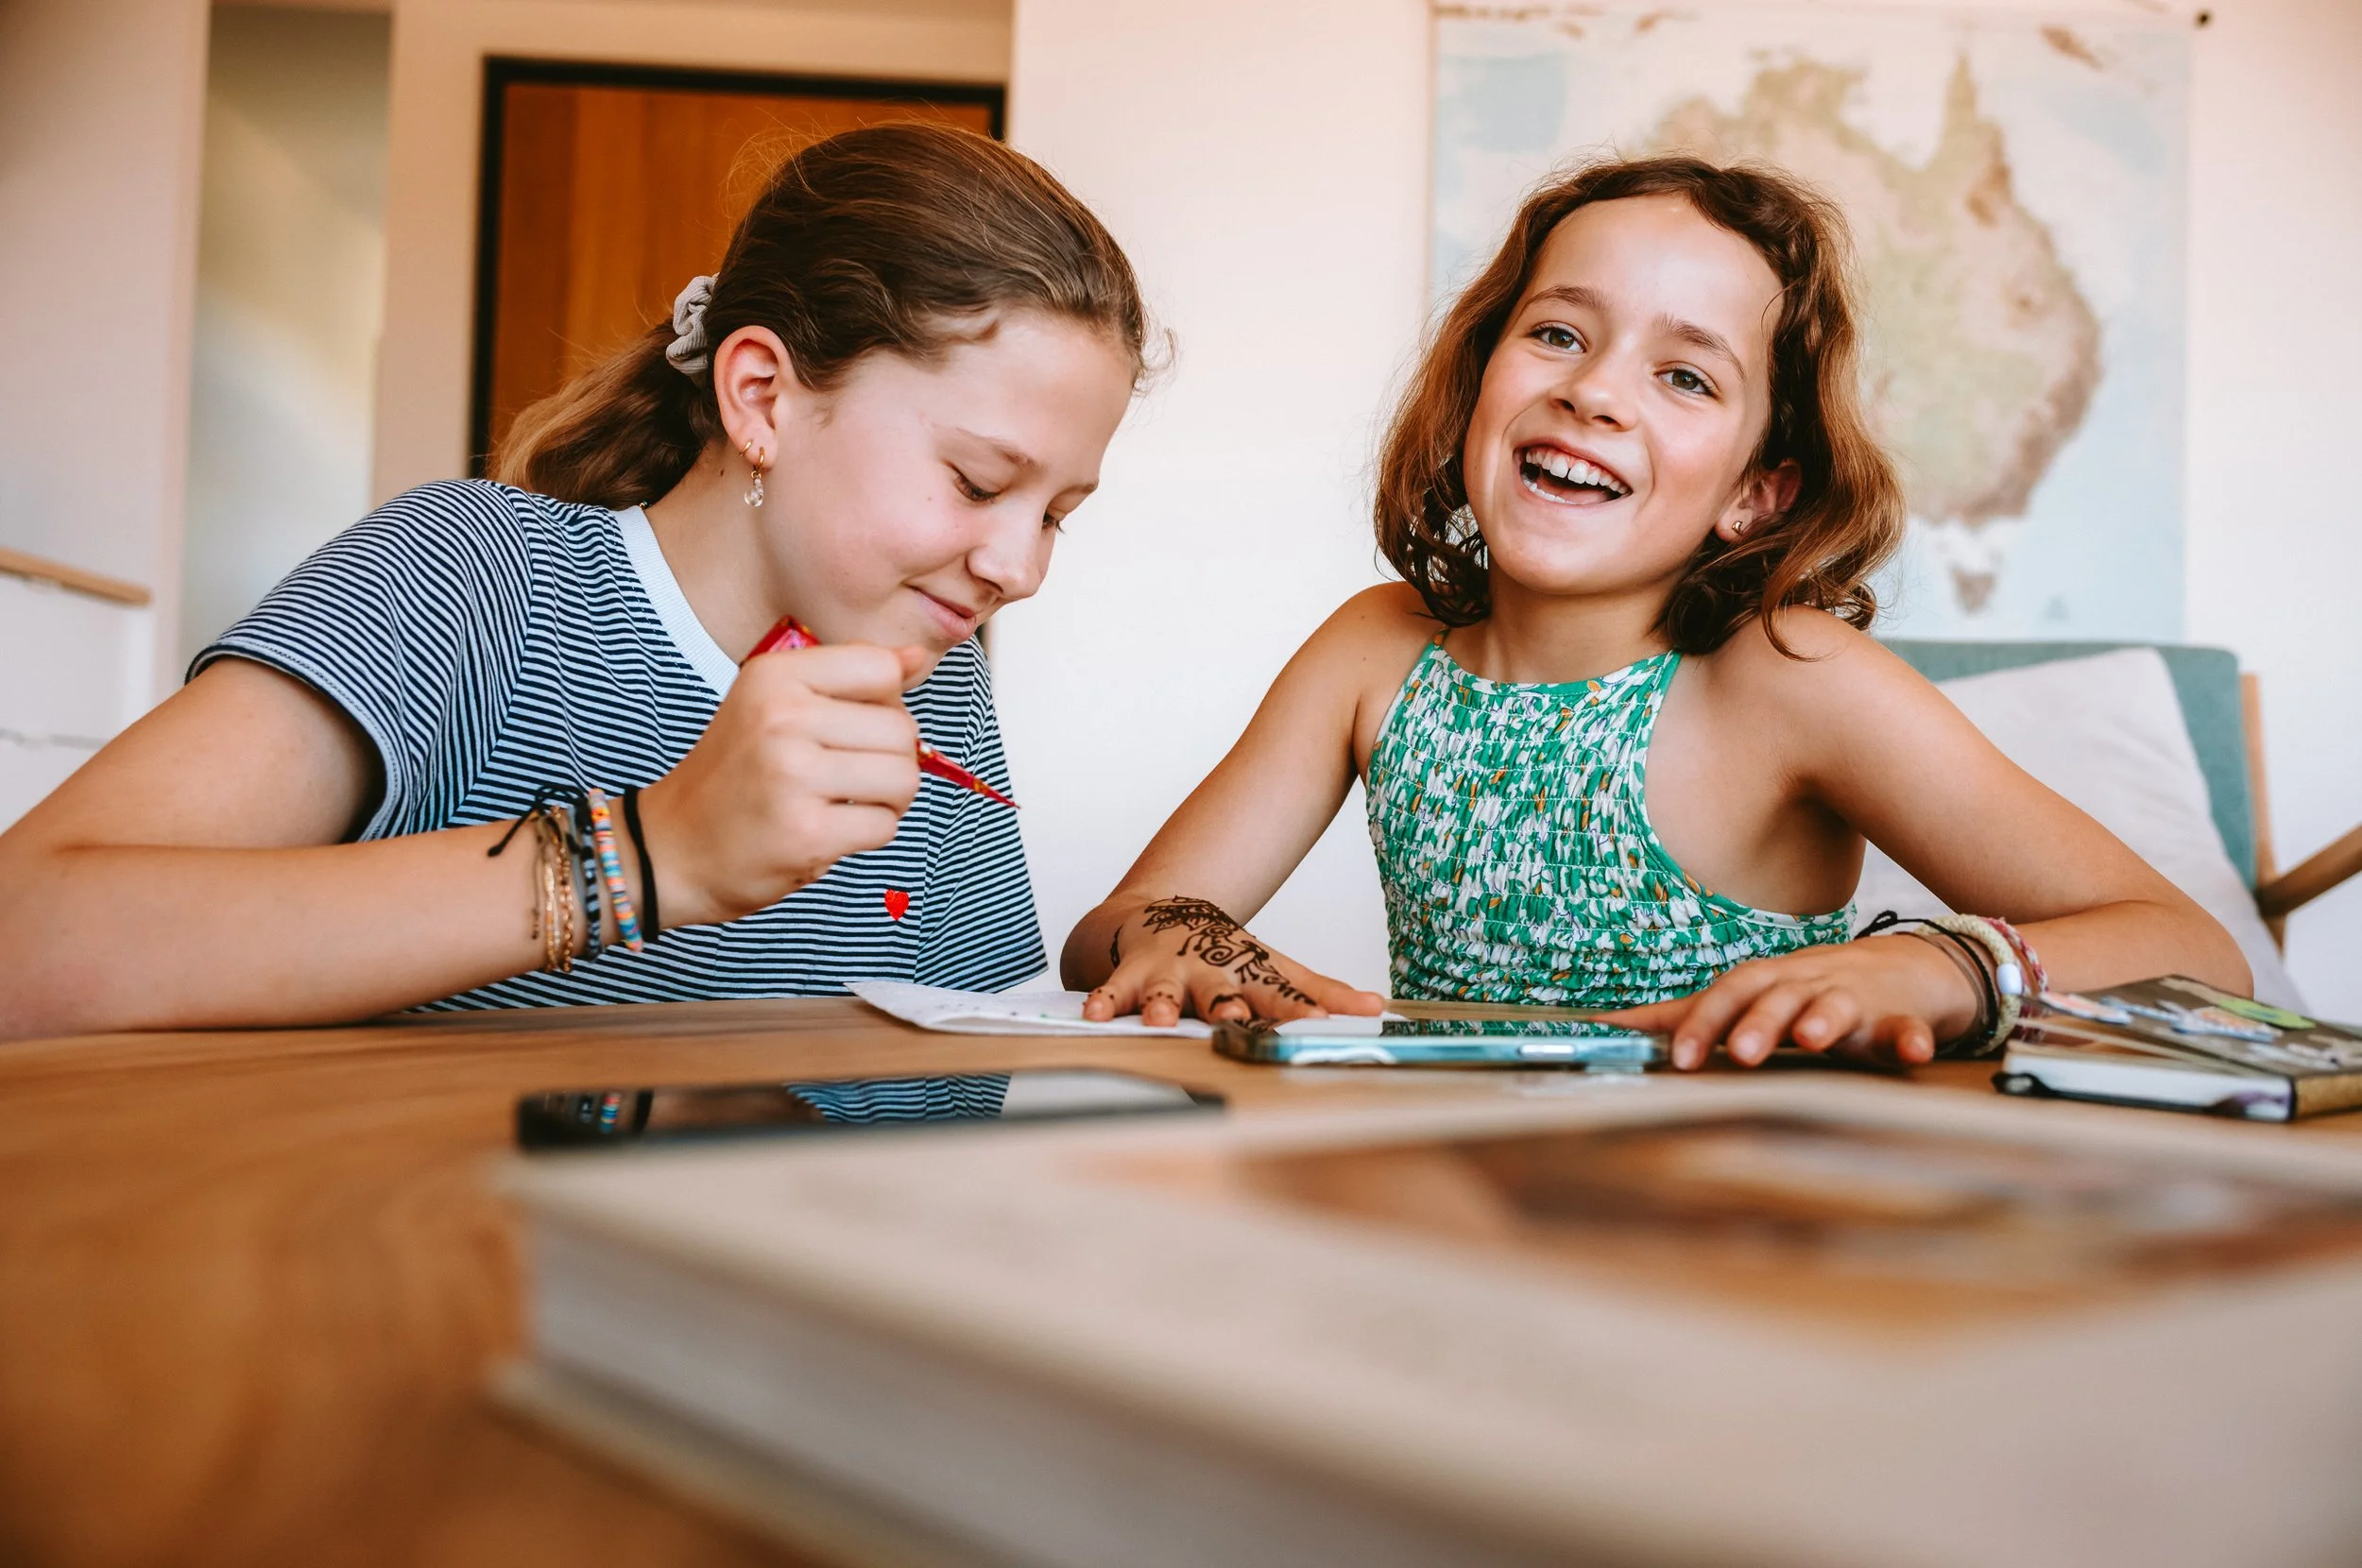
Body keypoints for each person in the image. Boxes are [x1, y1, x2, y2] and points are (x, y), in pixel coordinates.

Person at [1065, 155, 2246, 1068]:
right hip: (1444, 1200)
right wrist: (1198, 946)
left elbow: (2193, 951)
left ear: (1753, 490)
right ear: (1481, 381)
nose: (1592, 390)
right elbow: (1109, 929)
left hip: (1731, 1229)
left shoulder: (1786, 677)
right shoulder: (1373, 652)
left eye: (1683, 375)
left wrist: (1942, 963)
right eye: (1558, 335)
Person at [0, 123, 1145, 1039]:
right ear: (763, 397)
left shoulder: (938, 692)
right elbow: (26, 941)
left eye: (1056, 515)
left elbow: (960, 1071)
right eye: (973, 478)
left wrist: (1133, 991)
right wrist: (651, 852)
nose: (1020, 566)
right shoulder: (472, 578)